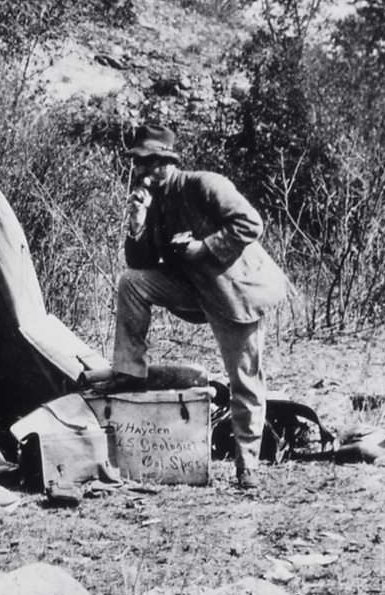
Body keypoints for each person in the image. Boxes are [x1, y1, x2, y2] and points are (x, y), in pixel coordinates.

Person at [95, 124, 294, 490]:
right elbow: (140, 263)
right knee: (131, 282)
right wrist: (137, 224)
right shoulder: (154, 201)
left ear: (162, 163)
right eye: (137, 164)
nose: (136, 172)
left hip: (235, 292)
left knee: (244, 379)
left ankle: (246, 465)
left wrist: (204, 247)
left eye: (141, 163)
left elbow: (252, 223)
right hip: (194, 290)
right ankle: (130, 371)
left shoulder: (204, 184)